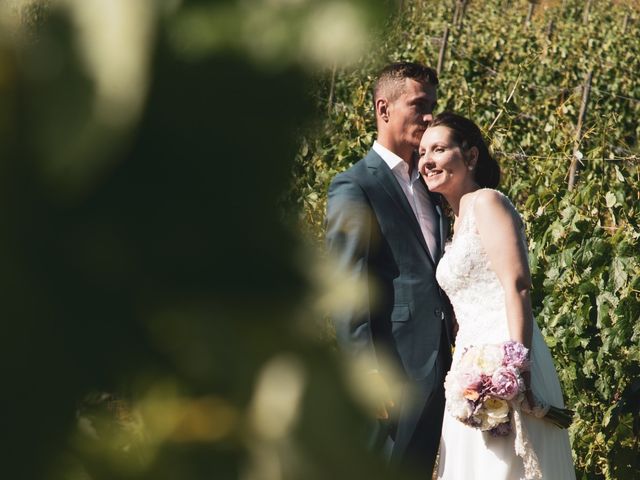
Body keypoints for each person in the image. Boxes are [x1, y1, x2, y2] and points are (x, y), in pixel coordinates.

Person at [418, 112, 575, 479]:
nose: (427, 160)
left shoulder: (487, 202)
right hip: (468, 365)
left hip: (506, 353)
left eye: (439, 149)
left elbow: (516, 285)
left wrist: (516, 371)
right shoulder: (454, 220)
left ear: (471, 157)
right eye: (423, 152)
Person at [325, 62, 454, 476]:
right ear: (384, 109)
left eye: (432, 106)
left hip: (440, 372)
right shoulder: (355, 186)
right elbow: (345, 285)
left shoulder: (432, 186)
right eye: (419, 105)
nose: (430, 116)